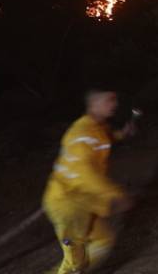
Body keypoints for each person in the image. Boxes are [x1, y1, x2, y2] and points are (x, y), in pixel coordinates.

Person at [42, 86, 137, 274]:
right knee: (74, 263)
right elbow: (85, 173)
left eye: (115, 99)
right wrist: (116, 195)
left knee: (103, 242)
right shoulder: (81, 134)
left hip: (82, 199)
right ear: (94, 104)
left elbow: (104, 137)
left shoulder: (97, 126)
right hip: (67, 203)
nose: (115, 104)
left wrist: (121, 134)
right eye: (109, 100)